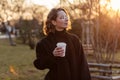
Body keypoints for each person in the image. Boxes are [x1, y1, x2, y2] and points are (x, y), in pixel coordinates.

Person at [33, 7, 91, 80]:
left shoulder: (74, 40)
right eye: (62, 17)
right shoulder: (44, 43)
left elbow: (83, 64)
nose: (66, 19)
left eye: (66, 17)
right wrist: (53, 55)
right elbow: (39, 64)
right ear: (54, 22)